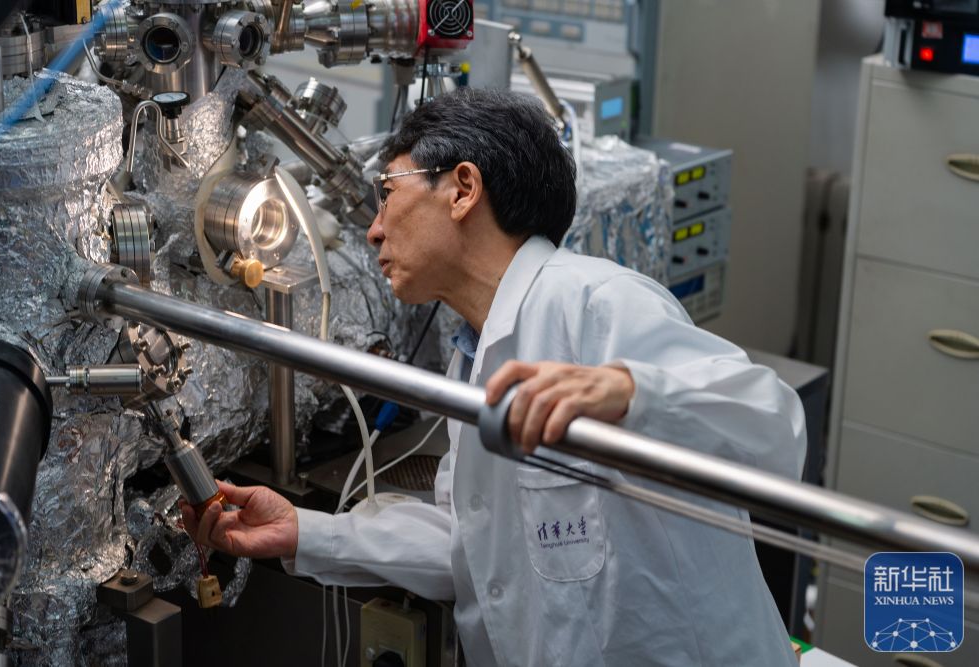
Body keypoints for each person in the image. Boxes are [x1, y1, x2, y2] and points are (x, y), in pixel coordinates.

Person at [182, 87, 806, 666]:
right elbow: (474, 546)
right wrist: (304, 532)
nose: (373, 229)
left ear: (462, 190)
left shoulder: (593, 301)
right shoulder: (473, 354)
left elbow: (774, 426)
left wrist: (630, 390)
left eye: (388, 193)